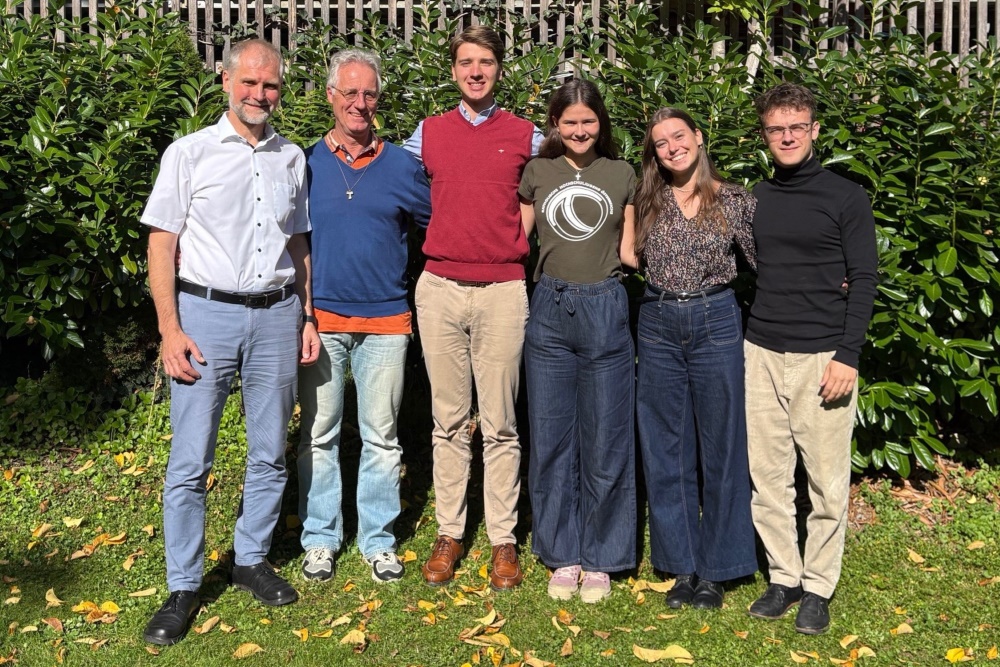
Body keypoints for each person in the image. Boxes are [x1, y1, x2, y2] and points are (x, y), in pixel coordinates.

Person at [140, 38, 320, 646]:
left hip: (276, 316)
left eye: (269, 86)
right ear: (225, 81)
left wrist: (308, 316)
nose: (259, 95)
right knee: (192, 459)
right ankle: (184, 583)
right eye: (249, 83)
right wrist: (169, 328)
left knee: (269, 451)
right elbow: (161, 244)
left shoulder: (292, 158)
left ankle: (250, 558)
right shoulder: (188, 154)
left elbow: (299, 247)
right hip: (205, 315)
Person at [402, 25, 544, 590]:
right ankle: (450, 531)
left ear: (499, 68)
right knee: (448, 421)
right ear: (454, 70)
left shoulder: (526, 135)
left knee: (503, 423)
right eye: (466, 62)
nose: (476, 71)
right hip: (439, 287)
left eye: (486, 61)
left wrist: (517, 238)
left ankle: (504, 540)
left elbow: (548, 188)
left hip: (503, 290)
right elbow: (398, 186)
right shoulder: (428, 133)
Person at [744, 83, 877, 634]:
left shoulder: (847, 197)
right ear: (765, 135)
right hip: (761, 352)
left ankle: (818, 585)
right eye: (777, 128)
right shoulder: (754, 197)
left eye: (797, 126)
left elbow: (866, 277)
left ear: (815, 130)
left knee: (824, 480)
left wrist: (848, 354)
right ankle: (784, 576)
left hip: (824, 355)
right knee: (769, 478)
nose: (788, 136)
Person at [297, 49, 432, 584]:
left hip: (386, 322)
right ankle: (320, 539)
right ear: (331, 96)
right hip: (322, 319)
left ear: (379, 100)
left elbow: (437, 228)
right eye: (349, 92)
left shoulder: (403, 165)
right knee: (319, 434)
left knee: (382, 437)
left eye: (369, 93)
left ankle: (377, 540)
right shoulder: (304, 163)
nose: (359, 103)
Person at [632, 108, 758, 610]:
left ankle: (719, 567)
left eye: (679, 137)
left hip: (716, 320)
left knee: (723, 444)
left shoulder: (733, 200)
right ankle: (680, 565)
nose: (672, 147)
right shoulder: (645, 200)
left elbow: (768, 262)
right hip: (658, 322)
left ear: (698, 138)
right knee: (666, 445)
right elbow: (624, 256)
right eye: (661, 142)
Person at [518, 80, 637, 603]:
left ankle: (603, 556)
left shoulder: (622, 174)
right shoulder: (537, 172)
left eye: (588, 121)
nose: (580, 130)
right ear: (555, 125)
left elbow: (631, 250)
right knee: (551, 435)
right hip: (549, 308)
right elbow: (516, 241)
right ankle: (562, 551)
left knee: (607, 435)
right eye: (570, 122)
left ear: (601, 124)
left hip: (606, 306)